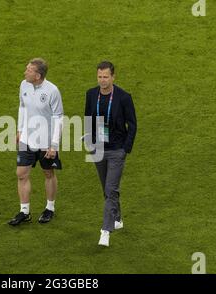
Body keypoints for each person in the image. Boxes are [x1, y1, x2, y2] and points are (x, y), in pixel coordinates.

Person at [84, 61, 137, 246]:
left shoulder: (123, 97)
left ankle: (105, 230)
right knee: (108, 190)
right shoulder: (91, 95)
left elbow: (133, 124)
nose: (102, 80)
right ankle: (117, 218)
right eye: (99, 76)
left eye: (106, 76)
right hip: (98, 149)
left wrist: (125, 149)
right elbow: (88, 117)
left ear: (113, 77)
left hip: (116, 150)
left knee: (110, 189)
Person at [8, 58, 64, 226]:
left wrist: (54, 145)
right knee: (21, 174)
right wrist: (19, 130)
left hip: (46, 142)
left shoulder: (52, 91)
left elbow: (58, 118)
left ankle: (50, 208)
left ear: (38, 75)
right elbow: (22, 107)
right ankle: (24, 211)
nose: (25, 72)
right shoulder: (24, 85)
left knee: (48, 173)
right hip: (26, 138)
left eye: (29, 70)